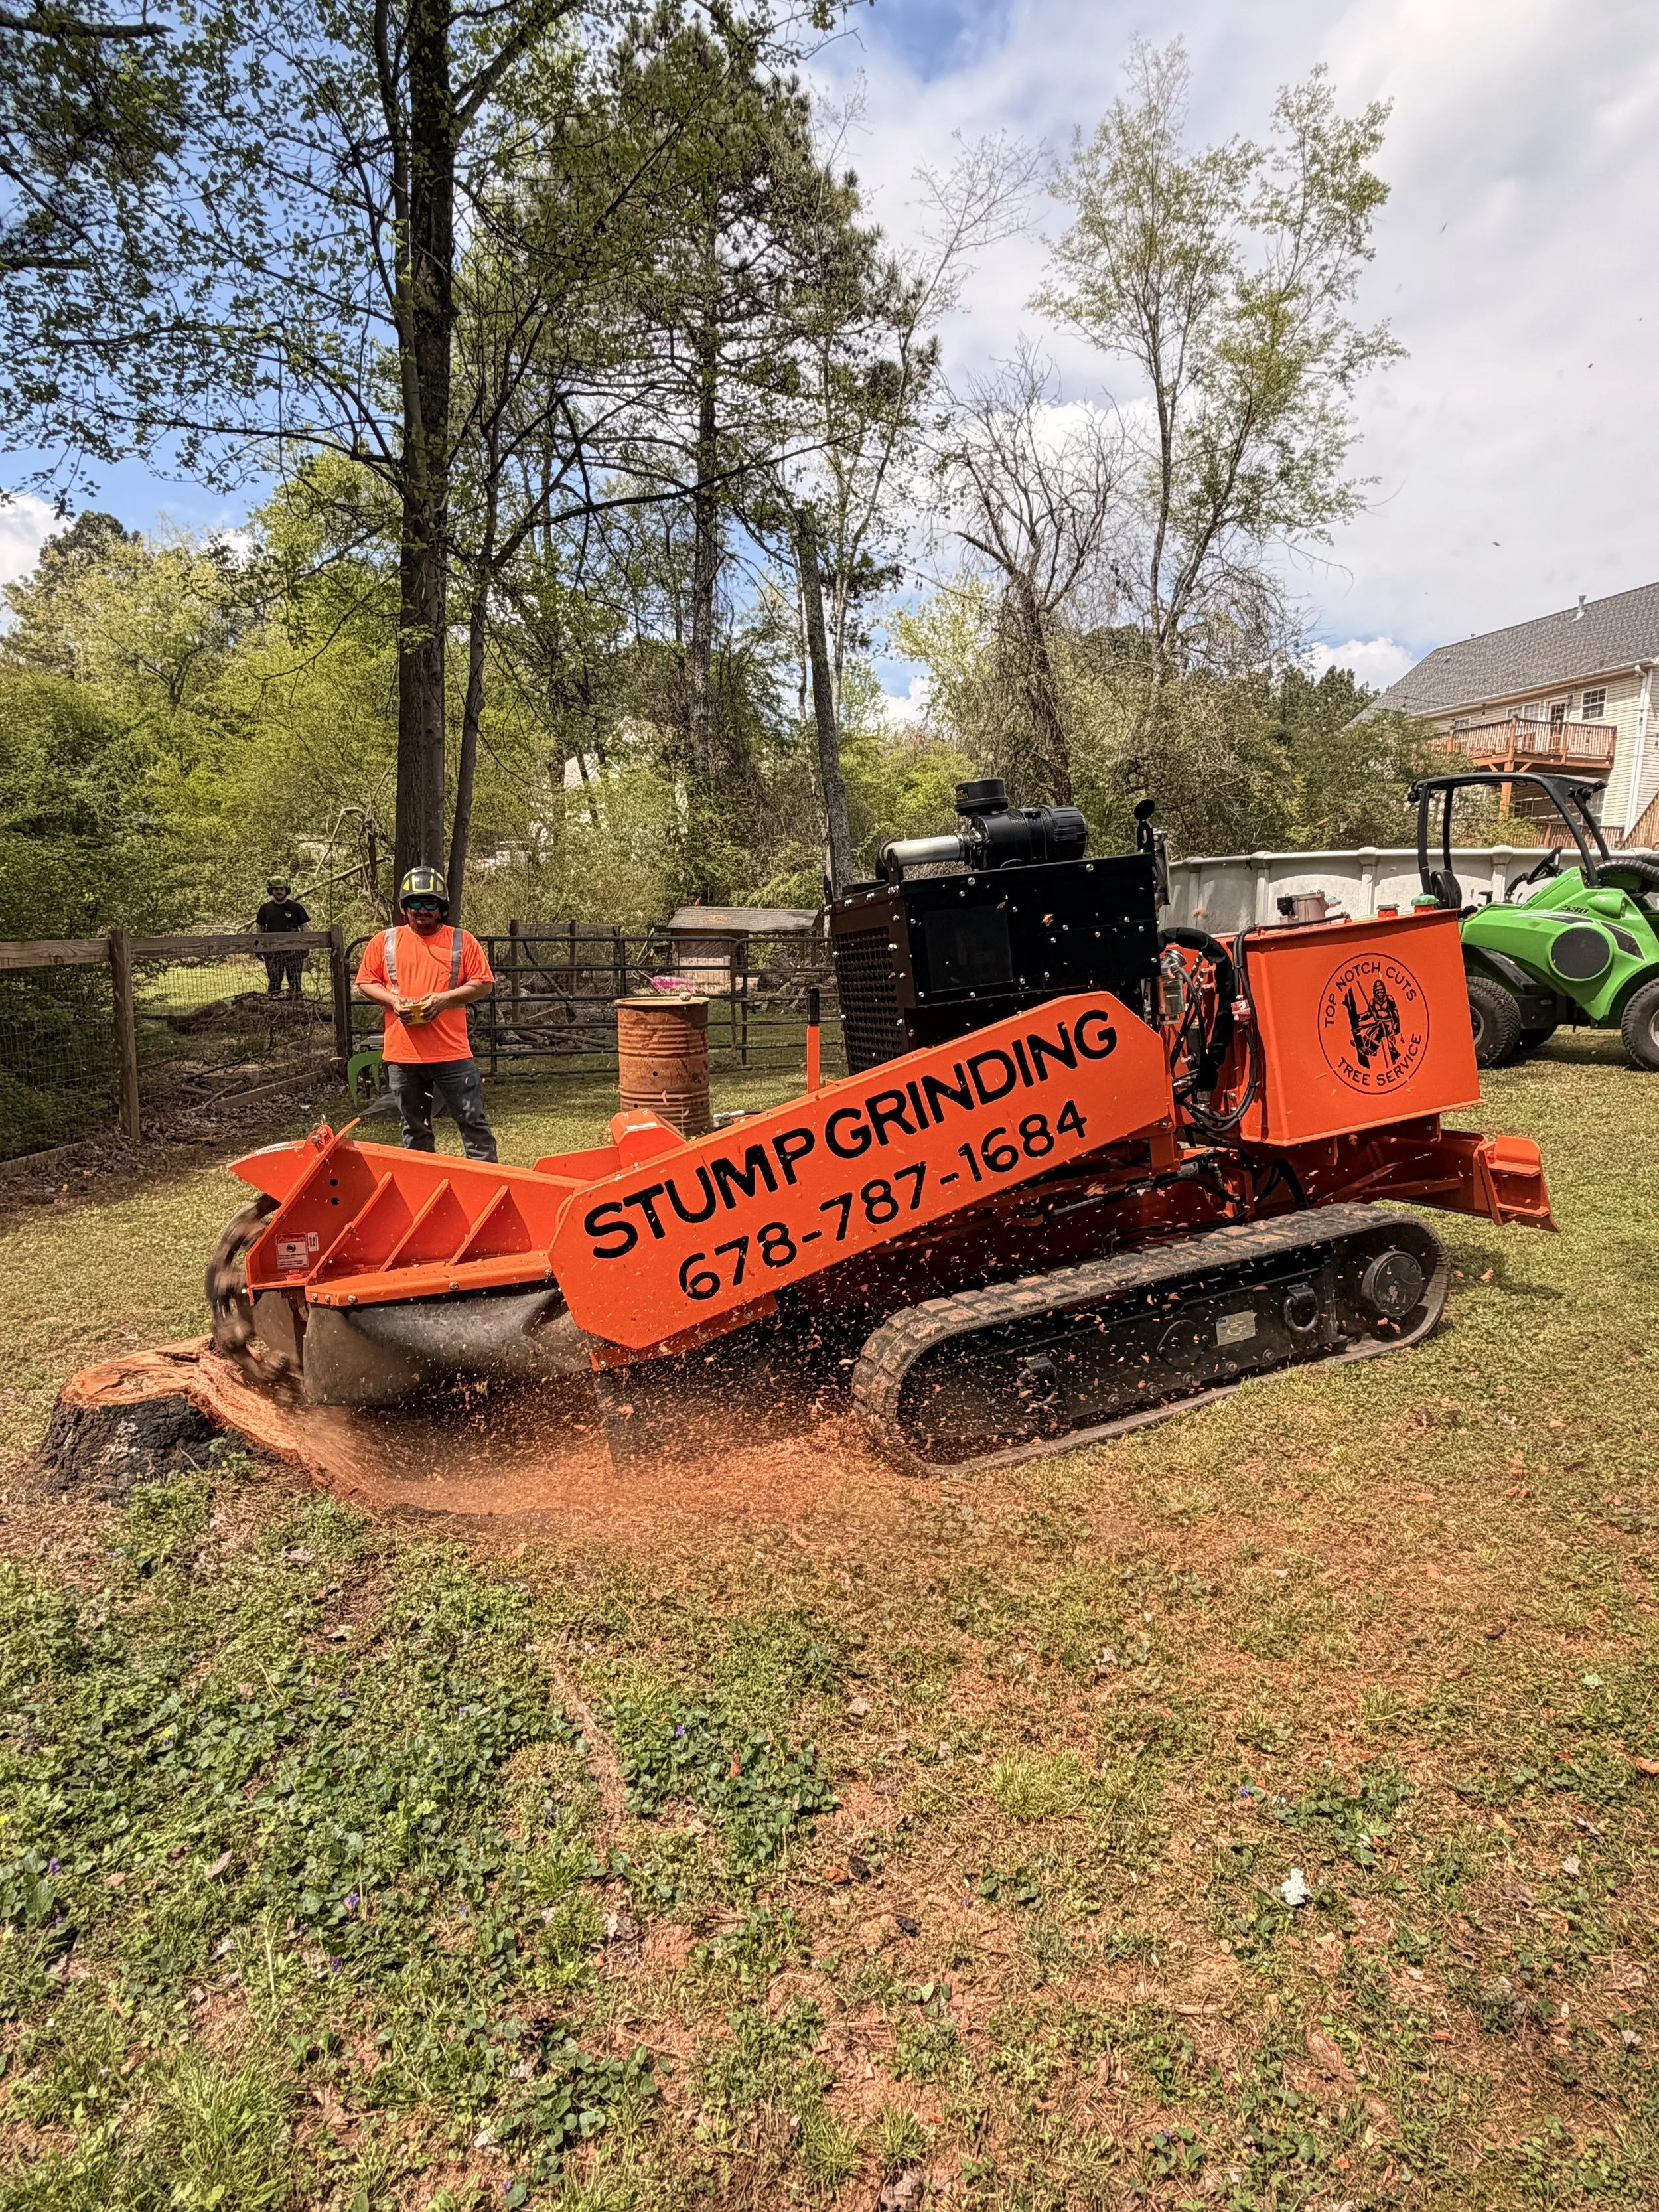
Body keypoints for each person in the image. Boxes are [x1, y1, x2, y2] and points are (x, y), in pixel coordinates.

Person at [354, 865, 498, 1161]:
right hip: (403, 1055)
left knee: (473, 1125)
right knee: (415, 1129)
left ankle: (489, 1183)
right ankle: (424, 1185)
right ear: (404, 907)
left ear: (442, 908)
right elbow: (366, 982)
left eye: (430, 903)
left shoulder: (462, 941)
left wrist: (443, 1000)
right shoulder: (385, 941)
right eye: (415, 903)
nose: (422, 910)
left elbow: (483, 983)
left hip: (452, 1053)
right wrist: (394, 1002)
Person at [255, 877, 311, 999]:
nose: (279, 892)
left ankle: (297, 1004)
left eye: (281, 889)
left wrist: (305, 946)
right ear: (271, 891)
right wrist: (259, 948)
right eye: (276, 889)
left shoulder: (296, 907)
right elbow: (260, 928)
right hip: (273, 950)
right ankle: (273, 1004)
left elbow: (304, 927)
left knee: (295, 980)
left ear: (286, 890)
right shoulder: (265, 908)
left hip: (294, 950)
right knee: (274, 980)